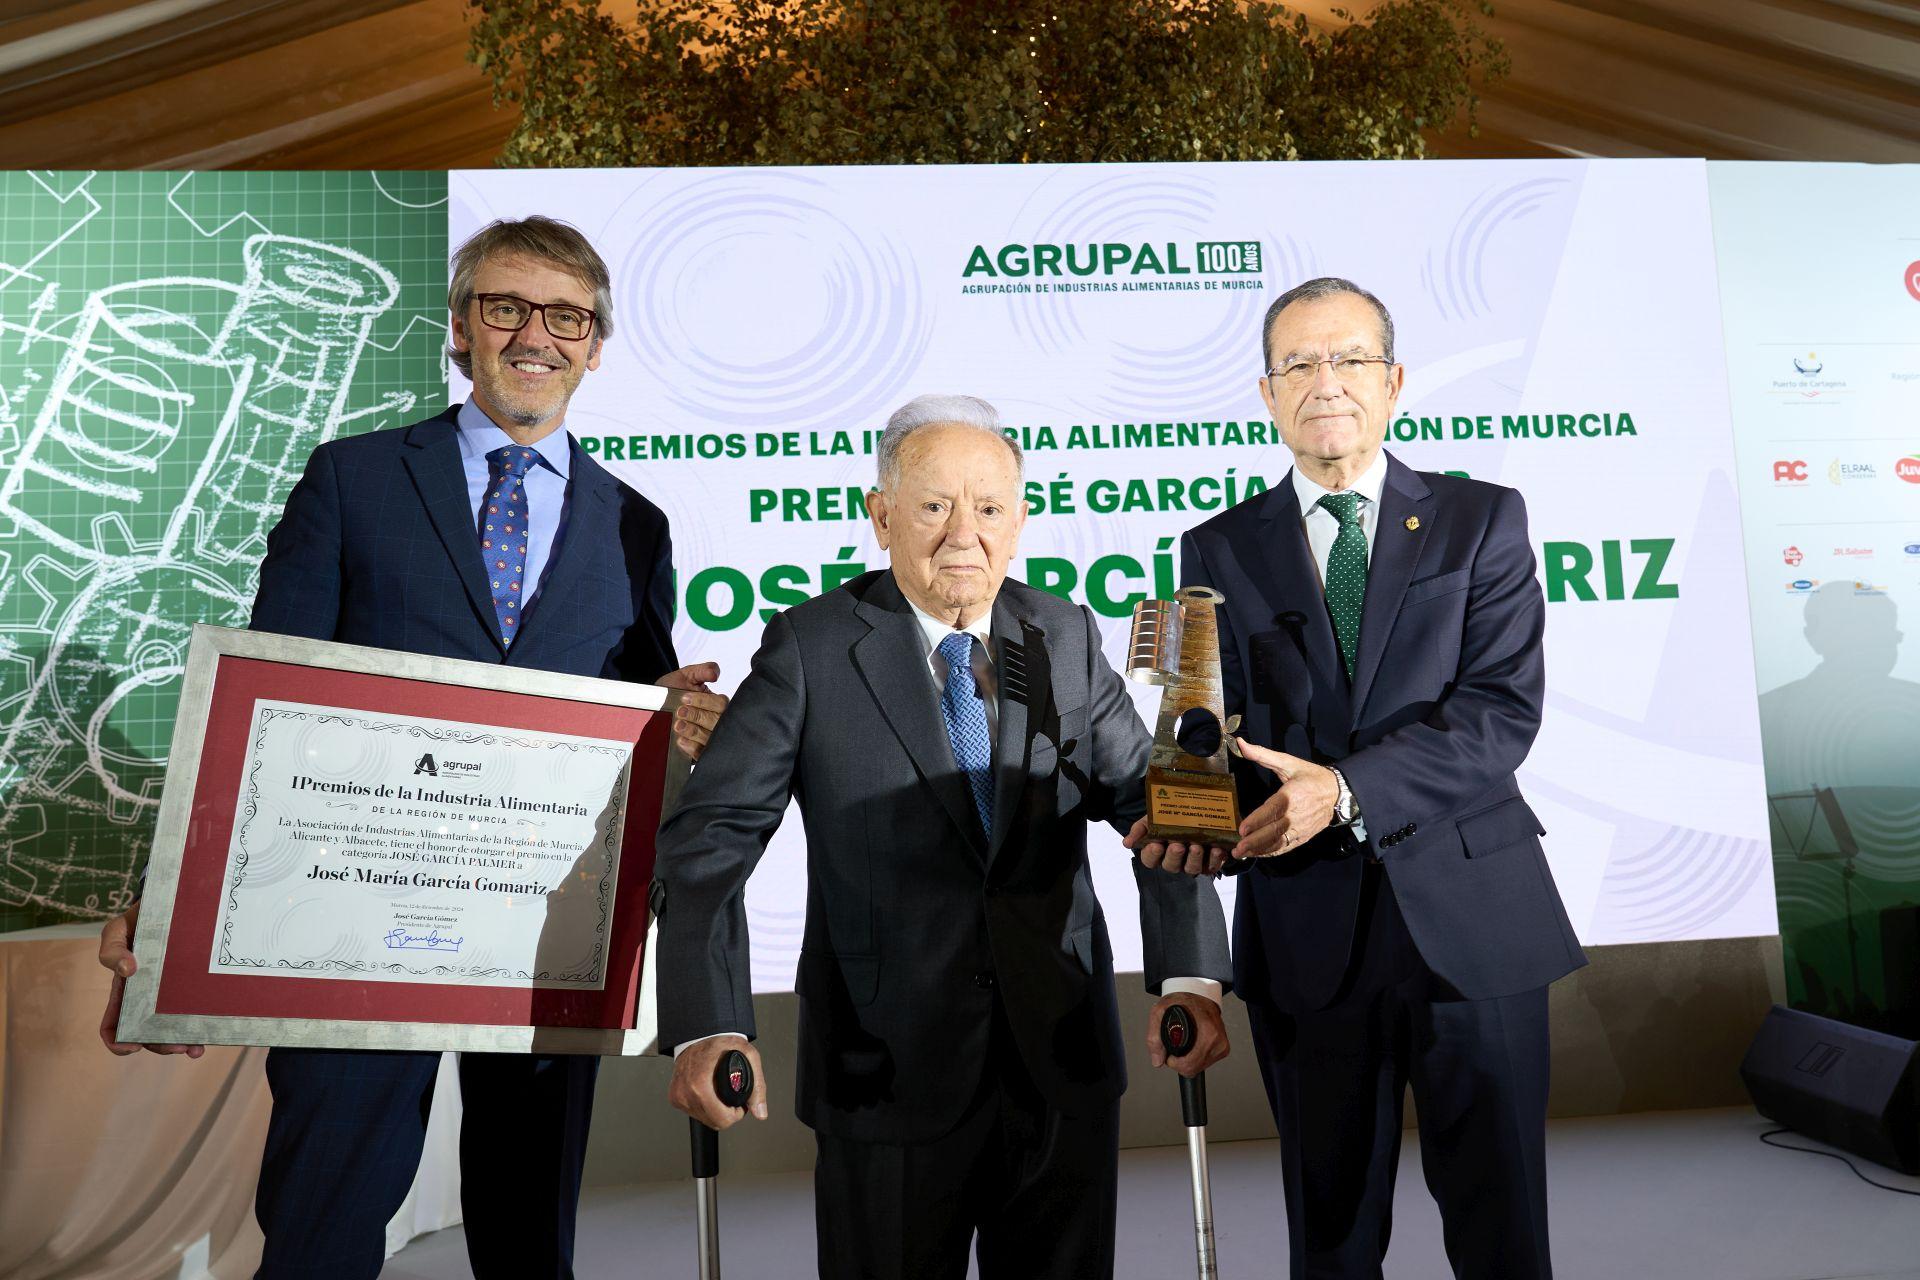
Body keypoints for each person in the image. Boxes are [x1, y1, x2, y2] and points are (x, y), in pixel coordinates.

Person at [95, 215, 729, 1280]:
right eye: (506, 306)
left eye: (566, 315)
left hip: (541, 934)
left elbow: (632, 715)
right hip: (351, 917)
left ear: (596, 344)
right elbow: (261, 698)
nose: (537, 334)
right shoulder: (353, 479)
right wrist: (169, 894)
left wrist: (673, 718)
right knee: (323, 1224)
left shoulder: (638, 524)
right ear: (461, 327)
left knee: (530, 1238)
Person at [652, 394, 1233, 1279]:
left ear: (1021, 521)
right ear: (881, 518)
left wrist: (1190, 975)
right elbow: (712, 841)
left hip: (1059, 1059)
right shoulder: (813, 646)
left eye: (990, 508)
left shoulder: (1063, 634)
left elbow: (1156, 806)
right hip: (883, 1066)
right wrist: (708, 1024)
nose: (965, 533)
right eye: (933, 506)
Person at [1169, 277, 1586, 1278]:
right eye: (1298, 364)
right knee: (1332, 1235)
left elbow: (1499, 713)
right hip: (1306, 931)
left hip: (1473, 921)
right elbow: (1194, 733)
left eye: (1349, 358)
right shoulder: (1213, 546)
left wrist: (1344, 790)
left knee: (1504, 1229)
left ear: (1393, 381)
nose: (1326, 382)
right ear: (1266, 394)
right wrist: (1181, 808)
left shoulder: (1480, 519)